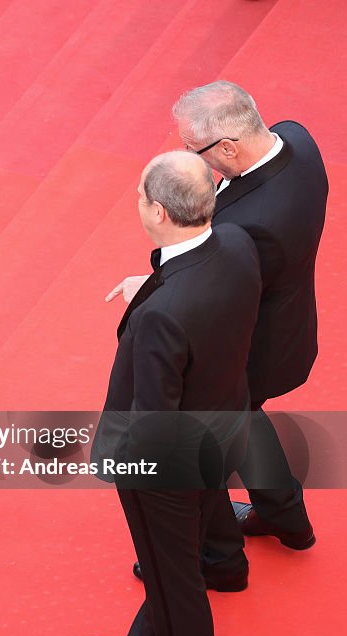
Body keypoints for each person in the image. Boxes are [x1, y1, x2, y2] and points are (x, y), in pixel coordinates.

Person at [109, 81, 326, 585]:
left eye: (192, 147)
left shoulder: (252, 228)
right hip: (288, 330)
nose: (188, 155)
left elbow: (217, 288)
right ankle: (285, 514)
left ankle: (217, 558)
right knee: (246, 419)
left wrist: (154, 287)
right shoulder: (298, 139)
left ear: (227, 146)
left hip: (246, 350)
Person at [87, 151, 261, 636]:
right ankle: (224, 563)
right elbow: (207, 296)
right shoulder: (235, 243)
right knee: (196, 536)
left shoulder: (163, 316)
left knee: (172, 575)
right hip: (223, 424)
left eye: (142, 195)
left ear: (158, 211)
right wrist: (157, 286)